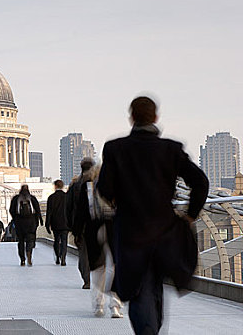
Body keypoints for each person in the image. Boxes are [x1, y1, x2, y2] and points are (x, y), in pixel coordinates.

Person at [97, 96, 209, 334]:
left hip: (130, 231)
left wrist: (119, 198)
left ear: (132, 118)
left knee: (140, 288)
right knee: (154, 285)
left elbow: (104, 189)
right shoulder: (170, 149)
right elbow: (200, 182)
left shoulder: (115, 149)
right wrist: (190, 215)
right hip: (164, 231)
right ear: (155, 117)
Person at [75, 165, 123, 318]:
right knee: (114, 267)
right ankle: (115, 305)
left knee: (97, 269)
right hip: (114, 229)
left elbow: (80, 213)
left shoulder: (87, 187)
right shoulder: (118, 186)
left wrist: (76, 233)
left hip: (93, 229)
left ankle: (98, 305)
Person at [68, 162, 93, 289]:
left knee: (84, 255)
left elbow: (70, 208)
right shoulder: (101, 184)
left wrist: (72, 228)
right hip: (99, 226)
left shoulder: (75, 186)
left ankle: (87, 280)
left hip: (82, 227)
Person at [9, 185, 43, 266]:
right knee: (30, 240)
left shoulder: (16, 199)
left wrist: (15, 218)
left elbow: (11, 210)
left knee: (21, 241)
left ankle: (22, 259)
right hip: (30, 223)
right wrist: (39, 221)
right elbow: (38, 210)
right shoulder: (32, 198)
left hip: (19, 223)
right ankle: (29, 254)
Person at [45, 179, 69, 266]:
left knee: (56, 240)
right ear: (62, 186)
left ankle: (58, 256)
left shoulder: (51, 198)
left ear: (55, 186)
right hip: (66, 223)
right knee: (64, 241)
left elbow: (49, 212)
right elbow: (70, 211)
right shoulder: (67, 197)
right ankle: (63, 257)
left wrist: (47, 224)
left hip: (55, 223)